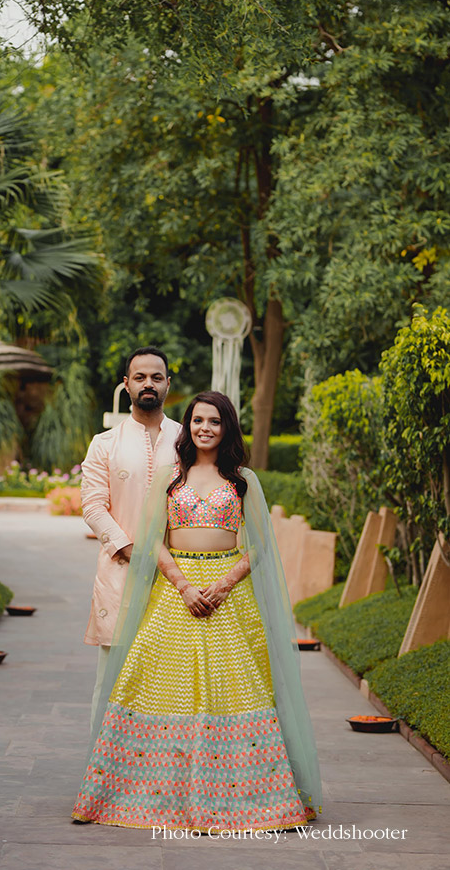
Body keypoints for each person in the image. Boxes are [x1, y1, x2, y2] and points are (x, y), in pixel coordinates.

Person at [72, 391, 322, 831]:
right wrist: (184, 585)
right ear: (187, 427)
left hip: (230, 596)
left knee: (239, 689)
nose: (205, 428)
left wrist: (224, 584)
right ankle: (141, 796)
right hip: (175, 593)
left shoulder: (242, 480)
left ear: (227, 427)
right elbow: (153, 539)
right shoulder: (171, 477)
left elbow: (261, 547)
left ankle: (252, 798)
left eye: (215, 421)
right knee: (154, 684)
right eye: (198, 420)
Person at [81, 347, 181, 728]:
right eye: (140, 377)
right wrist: (130, 550)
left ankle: (157, 771)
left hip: (178, 577)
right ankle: (101, 772)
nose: (148, 384)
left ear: (168, 384)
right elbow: (92, 506)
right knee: (114, 678)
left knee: (171, 680)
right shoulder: (104, 443)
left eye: (156, 377)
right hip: (121, 572)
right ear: (126, 385)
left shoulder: (188, 440)